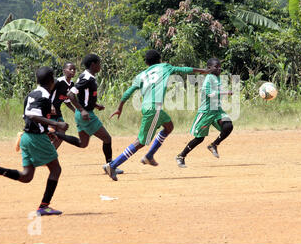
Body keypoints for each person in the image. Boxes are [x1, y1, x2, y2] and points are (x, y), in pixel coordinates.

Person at [103, 49, 209, 181]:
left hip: (149, 107)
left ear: (147, 63)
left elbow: (128, 92)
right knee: (140, 142)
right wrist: (203, 71)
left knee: (169, 126)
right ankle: (113, 165)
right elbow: (185, 69)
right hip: (154, 109)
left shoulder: (141, 75)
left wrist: (120, 108)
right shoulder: (164, 67)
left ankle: (149, 156)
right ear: (160, 60)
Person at [0, 66, 68, 216]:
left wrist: (46, 131)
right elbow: (33, 116)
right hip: (36, 138)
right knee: (56, 169)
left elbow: (28, 117)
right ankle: (44, 206)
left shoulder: (31, 94)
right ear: (52, 81)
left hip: (27, 137)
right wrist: (56, 124)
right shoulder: (45, 97)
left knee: (27, 176)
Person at [53, 54, 123, 174]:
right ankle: (111, 166)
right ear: (93, 64)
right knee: (107, 138)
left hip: (82, 114)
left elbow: (82, 96)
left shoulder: (87, 76)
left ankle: (59, 135)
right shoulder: (87, 78)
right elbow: (70, 94)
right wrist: (82, 110)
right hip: (86, 115)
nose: (100, 66)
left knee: (83, 144)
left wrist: (96, 105)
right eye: (99, 64)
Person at [175, 58, 233, 168]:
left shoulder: (217, 78)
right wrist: (226, 92)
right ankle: (181, 156)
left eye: (219, 66)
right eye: (216, 66)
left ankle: (214, 145)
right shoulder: (209, 78)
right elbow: (209, 94)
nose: (219, 68)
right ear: (209, 68)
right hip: (206, 112)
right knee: (199, 138)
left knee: (228, 126)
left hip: (217, 110)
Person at [48, 62, 76, 149]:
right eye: (70, 69)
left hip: (57, 112)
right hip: (48, 110)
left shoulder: (71, 84)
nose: (72, 71)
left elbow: (67, 100)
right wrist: (51, 105)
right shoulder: (58, 81)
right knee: (49, 132)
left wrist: (75, 110)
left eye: (74, 69)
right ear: (64, 71)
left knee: (61, 133)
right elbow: (46, 93)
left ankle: (51, 154)